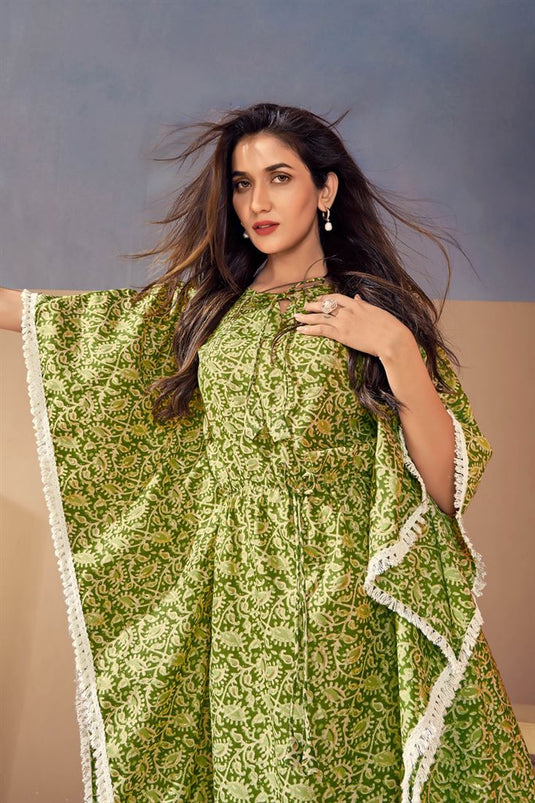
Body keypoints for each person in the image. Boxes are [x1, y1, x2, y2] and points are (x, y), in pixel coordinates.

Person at [1, 102, 533, 803]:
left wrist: (397, 349)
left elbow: (444, 486)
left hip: (348, 600)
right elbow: (59, 321)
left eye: (279, 177)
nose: (257, 202)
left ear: (325, 189)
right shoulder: (206, 311)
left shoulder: (371, 311)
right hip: (239, 602)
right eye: (242, 183)